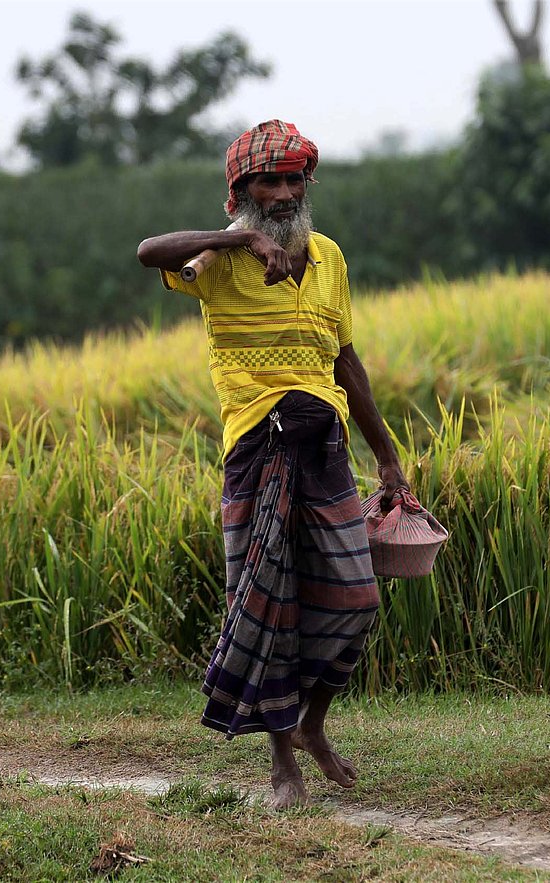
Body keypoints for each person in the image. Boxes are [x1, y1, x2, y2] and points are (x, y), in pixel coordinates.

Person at [136, 119, 410, 810]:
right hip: (256, 449)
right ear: (240, 192)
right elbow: (147, 250)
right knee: (267, 601)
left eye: (294, 180)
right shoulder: (214, 262)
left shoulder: (329, 259)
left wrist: (389, 456)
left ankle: (313, 724)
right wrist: (238, 239)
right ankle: (281, 761)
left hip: (325, 448)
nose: (285, 192)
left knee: (355, 597)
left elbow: (346, 361)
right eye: (269, 181)